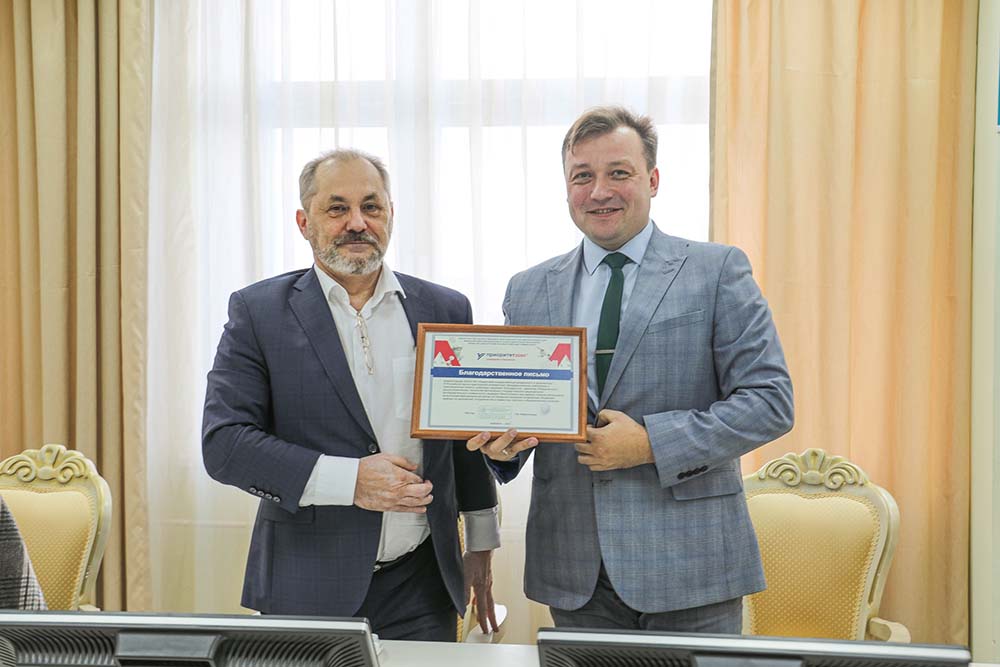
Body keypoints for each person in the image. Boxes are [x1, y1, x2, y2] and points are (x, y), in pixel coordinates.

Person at [467, 106, 794, 634]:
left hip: (692, 569)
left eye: (618, 172)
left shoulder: (716, 271)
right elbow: (527, 412)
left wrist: (650, 444)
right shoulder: (527, 290)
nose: (599, 191)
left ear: (653, 180)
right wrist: (503, 450)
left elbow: (769, 402)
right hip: (575, 574)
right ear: (567, 188)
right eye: (583, 176)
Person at [203, 149, 500, 641]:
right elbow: (225, 445)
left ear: (390, 215)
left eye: (371, 206)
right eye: (337, 208)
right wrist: (351, 481)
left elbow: (462, 441)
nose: (357, 223)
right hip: (304, 586)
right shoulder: (258, 312)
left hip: (422, 586)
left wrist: (481, 545)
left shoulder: (446, 308)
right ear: (304, 222)